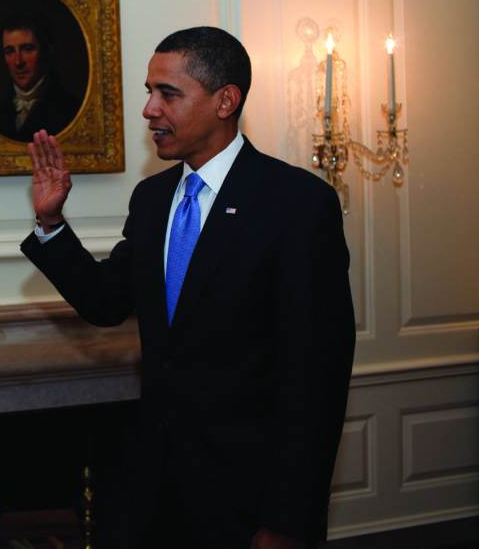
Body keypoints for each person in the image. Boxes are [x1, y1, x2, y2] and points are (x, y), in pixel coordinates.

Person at [20, 27, 356, 548]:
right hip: (157, 490)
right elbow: (107, 301)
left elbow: (316, 379)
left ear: (226, 100)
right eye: (149, 92)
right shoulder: (153, 199)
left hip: (250, 499)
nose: (149, 110)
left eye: (167, 94)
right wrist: (51, 224)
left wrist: (286, 519)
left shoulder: (296, 204)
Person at [0, 13, 83, 143]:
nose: (18, 62)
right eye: (10, 51)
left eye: (27, 49)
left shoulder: (72, 111)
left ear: (47, 52)